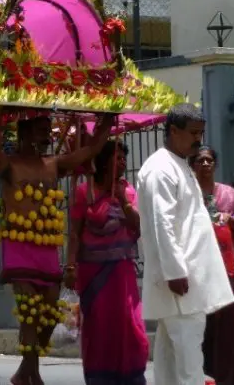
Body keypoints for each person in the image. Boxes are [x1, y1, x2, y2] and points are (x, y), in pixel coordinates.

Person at [0, 106, 114, 385]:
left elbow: (89, 152)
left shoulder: (53, 164)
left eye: (47, 130)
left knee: (49, 311)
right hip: (18, 243)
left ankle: (25, 371)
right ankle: (32, 374)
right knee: (29, 309)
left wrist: (107, 122)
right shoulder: (9, 165)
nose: (47, 135)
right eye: (41, 130)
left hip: (46, 246)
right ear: (25, 132)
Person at [137, 104, 234, 385]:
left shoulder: (178, 165)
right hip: (181, 282)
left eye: (201, 133)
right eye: (193, 133)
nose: (198, 139)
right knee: (190, 363)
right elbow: (162, 224)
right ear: (174, 131)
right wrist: (175, 272)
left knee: (170, 360)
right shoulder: (160, 169)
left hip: (184, 282)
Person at [65, 140, 149, 384]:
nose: (123, 161)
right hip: (93, 275)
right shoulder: (84, 192)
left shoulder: (129, 191)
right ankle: (100, 377)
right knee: (100, 327)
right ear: (103, 161)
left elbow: (140, 226)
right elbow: (74, 233)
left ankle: (132, 376)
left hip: (122, 273)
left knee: (130, 325)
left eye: (124, 157)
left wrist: (123, 199)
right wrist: (70, 267)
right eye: (117, 157)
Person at [189, 146, 234, 385]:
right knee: (203, 327)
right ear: (193, 166)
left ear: (215, 165)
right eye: (201, 160)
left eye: (209, 160)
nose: (206, 164)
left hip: (229, 270)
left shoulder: (230, 195)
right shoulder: (187, 195)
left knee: (229, 326)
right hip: (198, 271)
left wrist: (232, 221)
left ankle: (227, 378)